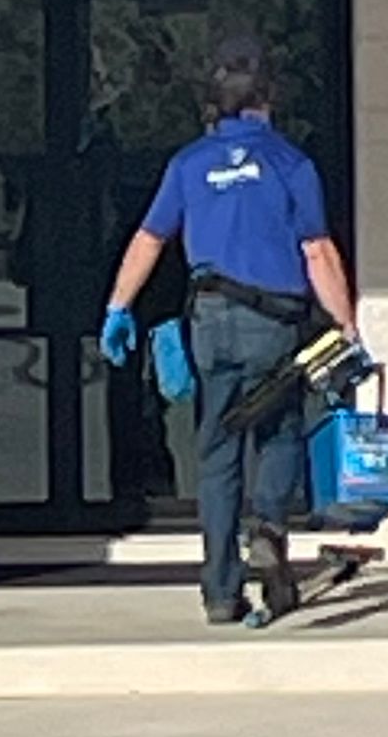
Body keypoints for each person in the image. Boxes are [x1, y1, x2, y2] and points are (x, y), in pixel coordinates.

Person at [99, 37, 358, 625]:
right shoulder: (291, 163)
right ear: (267, 99)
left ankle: (220, 591)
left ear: (211, 105)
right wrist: (345, 324)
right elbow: (316, 250)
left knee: (216, 453)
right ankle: (268, 522)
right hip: (275, 322)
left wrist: (119, 307)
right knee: (280, 433)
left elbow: (150, 238)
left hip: (211, 323)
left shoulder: (189, 164)